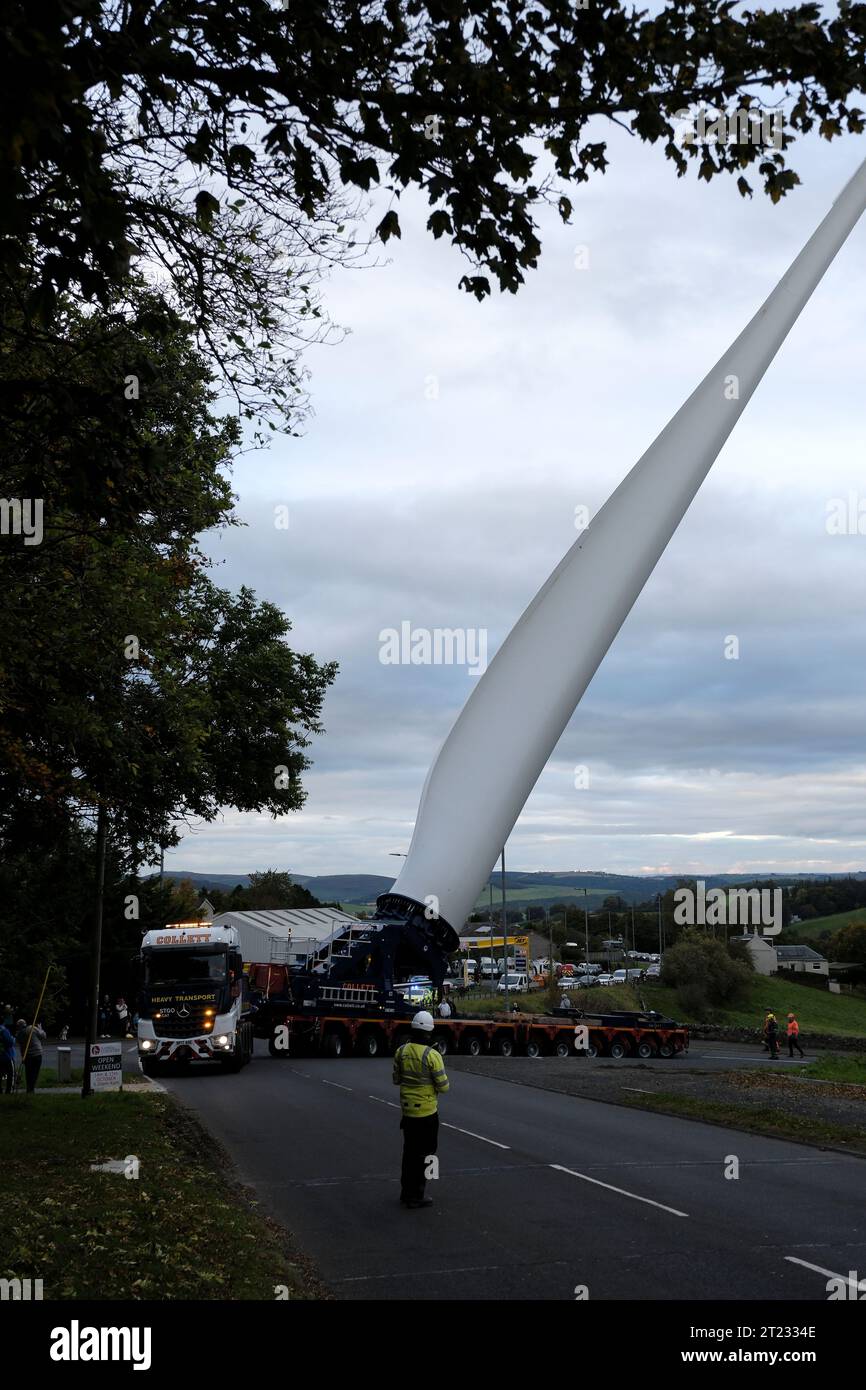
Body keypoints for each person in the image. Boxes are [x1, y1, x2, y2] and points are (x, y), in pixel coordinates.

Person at [392, 1010, 449, 1209]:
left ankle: (406, 1192)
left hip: (407, 1113)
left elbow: (396, 1079)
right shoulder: (432, 1055)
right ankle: (419, 1193)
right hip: (427, 1114)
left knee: (409, 1153)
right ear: (429, 1032)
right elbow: (444, 1087)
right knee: (427, 1153)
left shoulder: (401, 1051)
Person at [15, 1018, 46, 1093]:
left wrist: (23, 1057)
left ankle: (29, 1088)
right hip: (36, 1054)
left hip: (27, 1056)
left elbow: (20, 1045)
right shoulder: (32, 1028)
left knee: (28, 1073)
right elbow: (43, 1036)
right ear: (25, 1024)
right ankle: (31, 1089)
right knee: (35, 1072)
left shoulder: (18, 1035)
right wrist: (40, 1029)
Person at [0, 1017, 16, 1094]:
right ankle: (9, 1091)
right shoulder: (4, 1030)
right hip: (7, 1056)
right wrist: (13, 1038)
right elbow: (10, 1043)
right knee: (11, 1074)